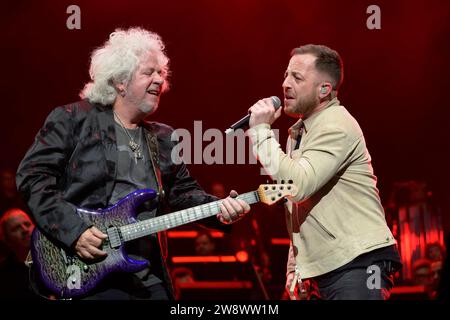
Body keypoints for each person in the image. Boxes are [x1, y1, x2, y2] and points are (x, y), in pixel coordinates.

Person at [15, 27, 250, 300]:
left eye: (161, 73)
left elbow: (183, 194)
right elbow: (32, 177)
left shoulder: (163, 138)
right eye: (148, 72)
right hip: (86, 269)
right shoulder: (72, 120)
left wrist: (220, 210)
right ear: (120, 81)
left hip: (146, 277)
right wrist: (75, 232)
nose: (159, 80)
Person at [246, 44, 401, 300]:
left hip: (357, 263)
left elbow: (297, 185)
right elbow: (299, 208)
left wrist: (261, 131)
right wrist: (296, 268)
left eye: (297, 77)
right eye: (286, 74)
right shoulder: (299, 133)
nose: (285, 83)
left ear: (324, 89)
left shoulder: (337, 124)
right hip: (326, 268)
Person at [0, 208, 36, 299]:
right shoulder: (6, 277)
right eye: (16, 228)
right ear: (6, 239)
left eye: (27, 224)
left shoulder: (56, 254)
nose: (25, 230)